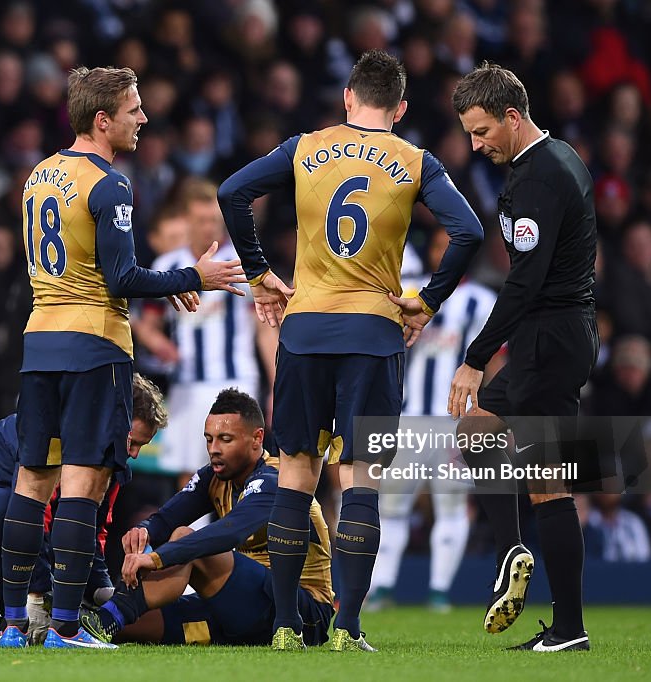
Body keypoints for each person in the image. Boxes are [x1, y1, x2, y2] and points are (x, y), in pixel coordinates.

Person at [218, 50, 484, 651]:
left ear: (347, 97)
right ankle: (348, 628)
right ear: (401, 107)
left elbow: (232, 193)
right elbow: (468, 231)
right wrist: (429, 300)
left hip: (306, 330)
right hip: (373, 333)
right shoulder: (415, 161)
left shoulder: (305, 147)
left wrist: (261, 275)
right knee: (361, 482)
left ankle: (285, 627)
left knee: (296, 476)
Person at [0, 65, 246, 650]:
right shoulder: (110, 185)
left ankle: (11, 626)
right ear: (102, 120)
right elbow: (121, 276)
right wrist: (194, 275)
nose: (144, 119)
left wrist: (166, 281)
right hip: (93, 347)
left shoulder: (38, 176)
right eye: (135, 110)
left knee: (30, 484)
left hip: (39, 345)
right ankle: (61, 628)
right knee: (81, 488)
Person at [432, 62, 599, 652]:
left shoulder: (538, 179)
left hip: (548, 341)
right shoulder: (556, 160)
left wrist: (475, 357)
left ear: (512, 116)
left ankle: (569, 629)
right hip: (548, 340)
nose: (476, 144)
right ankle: (511, 550)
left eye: (482, 132)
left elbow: (524, 283)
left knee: (548, 486)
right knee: (476, 431)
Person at [0, 374, 167, 645]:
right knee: (6, 506)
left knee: (10, 509)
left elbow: (90, 532)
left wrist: (101, 590)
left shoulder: (108, 466)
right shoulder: (48, 434)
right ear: (110, 419)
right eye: (132, 442)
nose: (133, 454)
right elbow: (32, 517)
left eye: (140, 447)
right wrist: (40, 593)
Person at [77, 389, 333, 647]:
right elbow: (166, 519)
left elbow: (228, 533)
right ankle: (80, 623)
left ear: (257, 439)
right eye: (209, 439)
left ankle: (111, 612)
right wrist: (143, 531)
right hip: (242, 610)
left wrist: (155, 558)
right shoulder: (214, 476)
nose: (214, 449)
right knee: (132, 628)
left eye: (225, 439)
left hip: (301, 614)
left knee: (187, 540)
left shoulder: (276, 479)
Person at [371, 230, 496, 612]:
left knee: (452, 505)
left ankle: (439, 591)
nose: (445, 253)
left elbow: (496, 361)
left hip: (455, 421)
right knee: (390, 506)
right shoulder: (408, 295)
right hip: (406, 419)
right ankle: (381, 589)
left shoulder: (482, 302)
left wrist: (487, 412)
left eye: (453, 246)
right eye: (441, 245)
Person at [142, 178, 278, 486]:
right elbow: (148, 324)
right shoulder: (168, 265)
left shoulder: (244, 263)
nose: (209, 227)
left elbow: (265, 329)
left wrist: (276, 383)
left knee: (237, 468)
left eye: (214, 220)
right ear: (186, 221)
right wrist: (158, 342)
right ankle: (194, 534)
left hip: (237, 379)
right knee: (189, 474)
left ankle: (229, 534)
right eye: (201, 220)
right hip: (187, 383)